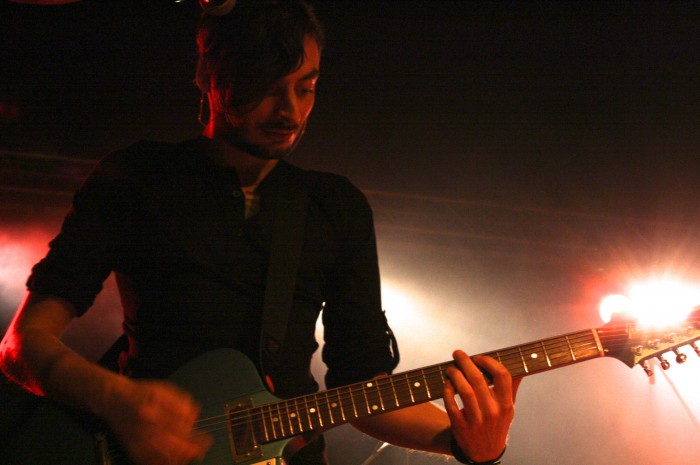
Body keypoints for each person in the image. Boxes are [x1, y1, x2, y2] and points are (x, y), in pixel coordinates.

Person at [0, 1, 520, 464]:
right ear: (208, 72)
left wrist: (468, 443)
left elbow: (362, 392)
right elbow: (23, 345)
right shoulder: (137, 178)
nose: (290, 111)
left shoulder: (335, 206)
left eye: (306, 87)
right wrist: (117, 401)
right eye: (266, 89)